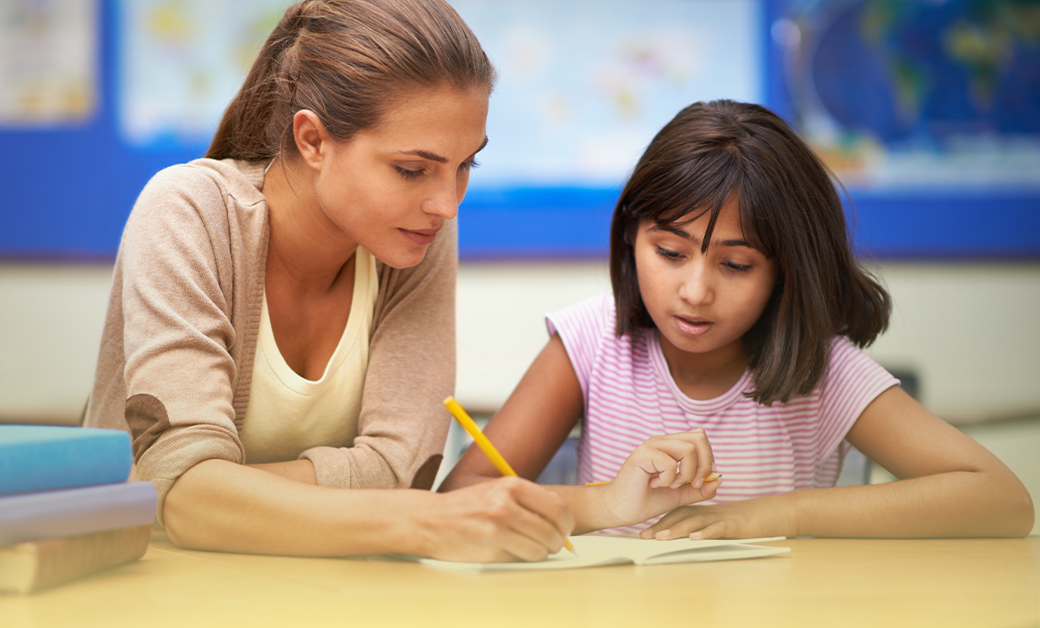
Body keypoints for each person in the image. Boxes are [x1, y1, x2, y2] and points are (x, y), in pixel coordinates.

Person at [84, 0, 574, 562]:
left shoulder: (416, 232)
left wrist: (216, 492)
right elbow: (187, 498)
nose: (447, 204)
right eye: (412, 170)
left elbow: (402, 472)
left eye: (466, 165)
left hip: (324, 590)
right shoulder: (187, 211)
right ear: (313, 140)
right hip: (146, 585)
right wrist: (420, 521)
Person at [440, 100, 1035, 540]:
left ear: (786, 269)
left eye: (737, 264)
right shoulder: (593, 340)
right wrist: (602, 506)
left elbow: (1002, 500)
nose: (695, 292)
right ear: (629, 237)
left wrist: (774, 513)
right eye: (669, 254)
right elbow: (462, 498)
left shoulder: (821, 371)